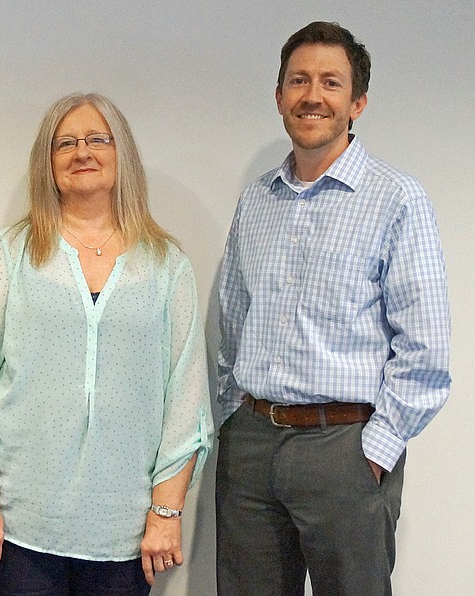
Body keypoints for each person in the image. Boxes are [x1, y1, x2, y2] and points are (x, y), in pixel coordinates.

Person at [0, 92, 213, 595]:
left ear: (121, 153)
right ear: (48, 163)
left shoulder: (166, 265)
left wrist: (167, 512)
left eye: (96, 139)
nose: (81, 152)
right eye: (65, 143)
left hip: (126, 533)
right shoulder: (13, 253)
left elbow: (188, 400)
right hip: (20, 529)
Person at [216, 21, 451, 595]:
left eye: (330, 82)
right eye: (298, 80)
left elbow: (426, 349)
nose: (312, 96)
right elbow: (232, 320)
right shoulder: (257, 200)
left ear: (357, 102)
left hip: (344, 447)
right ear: (279, 97)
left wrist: (376, 451)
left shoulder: (397, 200)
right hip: (252, 445)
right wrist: (229, 419)